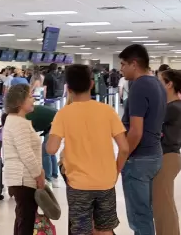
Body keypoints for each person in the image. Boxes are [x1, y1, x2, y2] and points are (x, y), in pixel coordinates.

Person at [46, 64, 128, 235]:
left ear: (67, 88)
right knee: (105, 229)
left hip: (78, 184)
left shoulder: (63, 114)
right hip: (106, 181)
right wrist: (115, 172)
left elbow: (51, 149)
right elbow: (125, 148)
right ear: (92, 84)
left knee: (81, 230)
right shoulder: (107, 111)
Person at [119, 44, 167, 235]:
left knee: (139, 216)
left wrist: (122, 158)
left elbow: (136, 131)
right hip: (154, 154)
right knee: (145, 211)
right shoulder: (157, 83)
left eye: (123, 64)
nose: (121, 68)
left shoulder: (139, 85)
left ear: (134, 63)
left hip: (139, 159)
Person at [3, 83, 44, 235]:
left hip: (21, 179)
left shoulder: (14, 120)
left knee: (22, 219)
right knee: (26, 222)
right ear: (19, 102)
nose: (33, 100)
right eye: (30, 97)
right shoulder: (18, 123)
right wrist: (38, 174)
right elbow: (25, 153)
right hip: (23, 179)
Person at [153, 69, 181, 235]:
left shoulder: (172, 108)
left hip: (168, 158)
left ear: (169, 84)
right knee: (162, 205)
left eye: (160, 81)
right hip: (166, 156)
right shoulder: (169, 105)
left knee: (163, 207)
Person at [25, 104, 58, 188]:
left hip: (55, 124)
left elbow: (31, 132)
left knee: (46, 152)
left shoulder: (26, 117)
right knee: (51, 152)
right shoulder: (29, 112)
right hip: (56, 122)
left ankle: (48, 179)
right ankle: (54, 176)